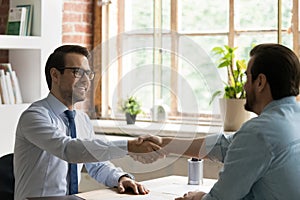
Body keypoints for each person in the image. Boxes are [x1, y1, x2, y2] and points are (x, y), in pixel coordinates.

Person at [142, 43, 300, 199]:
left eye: (247, 77)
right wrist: (164, 143)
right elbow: (225, 145)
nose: (244, 86)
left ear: (260, 82)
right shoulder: (292, 118)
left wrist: (199, 198)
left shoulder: (260, 131)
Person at [13, 45, 164, 200]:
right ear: (55, 75)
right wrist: (129, 146)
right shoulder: (34, 116)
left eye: (88, 73)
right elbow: (69, 150)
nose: (86, 80)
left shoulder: (82, 119)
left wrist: (121, 178)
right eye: (78, 72)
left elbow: (97, 164)